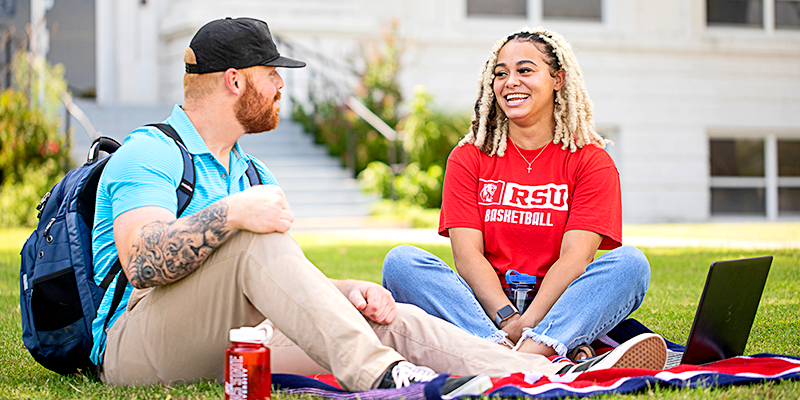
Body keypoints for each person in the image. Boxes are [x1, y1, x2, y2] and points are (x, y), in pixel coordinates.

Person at [90, 18, 666, 392]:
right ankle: (385, 378)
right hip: (137, 346)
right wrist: (234, 215)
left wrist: (344, 293)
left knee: (388, 316)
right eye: (273, 75)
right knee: (257, 243)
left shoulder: (248, 169)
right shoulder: (150, 153)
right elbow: (144, 264)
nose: (282, 88)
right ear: (237, 82)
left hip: (241, 345)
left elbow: (275, 280)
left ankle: (550, 374)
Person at [383, 27, 652, 362]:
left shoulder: (591, 161)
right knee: (401, 262)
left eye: (525, 70)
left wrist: (531, 321)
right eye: (500, 73)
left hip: (560, 305)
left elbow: (576, 259)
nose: (510, 82)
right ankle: (528, 353)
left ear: (558, 79)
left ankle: (516, 354)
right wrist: (507, 319)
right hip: (481, 309)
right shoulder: (468, 157)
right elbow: (467, 257)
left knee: (631, 265)